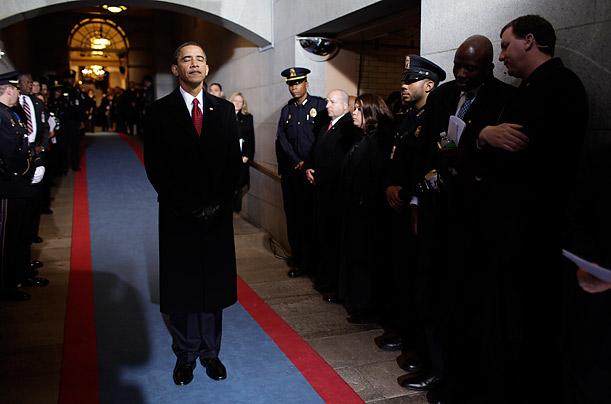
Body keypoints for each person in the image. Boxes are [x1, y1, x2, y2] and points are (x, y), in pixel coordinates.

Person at [400, 36, 516, 400]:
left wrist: (461, 152)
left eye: (472, 68)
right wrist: (436, 170)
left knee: (462, 300)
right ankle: (434, 363)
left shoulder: (503, 100)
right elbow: (430, 143)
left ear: (488, 67)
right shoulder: (445, 94)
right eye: (459, 67)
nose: (463, 74)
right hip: (438, 209)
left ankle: (454, 374)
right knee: (430, 290)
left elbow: (493, 161)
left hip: (472, 217)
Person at [143, 41, 241, 386]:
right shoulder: (157, 113)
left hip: (216, 216)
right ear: (176, 69)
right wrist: (185, 205)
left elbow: (233, 165)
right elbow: (155, 166)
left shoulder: (226, 111)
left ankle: (211, 352)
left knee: (213, 286)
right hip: (177, 215)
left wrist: (219, 202)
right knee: (182, 286)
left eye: (200, 58)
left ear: (207, 67)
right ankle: (185, 354)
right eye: (187, 59)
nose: (195, 64)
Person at [378, 56, 445, 360]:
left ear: (429, 85)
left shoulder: (434, 119)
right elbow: (397, 160)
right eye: (404, 81)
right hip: (398, 208)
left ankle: (418, 345)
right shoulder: (407, 118)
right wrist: (391, 185)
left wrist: (408, 192)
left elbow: (430, 168)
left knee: (419, 282)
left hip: (418, 208)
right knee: (400, 276)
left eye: (411, 81)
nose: (403, 86)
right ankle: (405, 335)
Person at [338, 93, 394, 325]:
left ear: (370, 113)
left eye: (359, 109)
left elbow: (375, 177)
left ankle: (367, 307)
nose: (354, 112)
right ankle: (359, 303)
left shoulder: (377, 139)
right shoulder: (362, 138)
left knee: (366, 261)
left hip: (368, 212)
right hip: (355, 209)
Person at [305, 89, 359, 304]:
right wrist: (309, 167)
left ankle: (332, 283)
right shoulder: (327, 125)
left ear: (345, 106)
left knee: (332, 240)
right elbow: (315, 151)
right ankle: (323, 278)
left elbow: (341, 162)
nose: (327, 105)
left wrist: (322, 174)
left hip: (334, 194)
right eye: (327, 100)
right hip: (321, 191)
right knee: (322, 236)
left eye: (332, 101)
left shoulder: (348, 128)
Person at [275, 67, 328, 278]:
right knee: (294, 218)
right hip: (292, 174)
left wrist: (308, 162)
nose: (294, 87)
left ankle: (314, 263)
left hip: (312, 173)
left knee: (311, 219)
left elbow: (323, 137)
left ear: (306, 83)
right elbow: (282, 139)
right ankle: (299, 260)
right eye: (290, 83)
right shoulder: (286, 110)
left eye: (297, 82)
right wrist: (296, 161)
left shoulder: (319, 105)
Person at [0, 71, 47, 302]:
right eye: (15, 88)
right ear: (7, 90)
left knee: (20, 233)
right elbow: (10, 154)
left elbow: (25, 143)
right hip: (8, 186)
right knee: (7, 238)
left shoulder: (11, 114)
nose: (18, 91)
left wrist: (35, 161)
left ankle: (19, 272)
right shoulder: (1, 116)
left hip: (20, 183)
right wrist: (30, 167)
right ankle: (6, 284)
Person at [229, 92, 255, 212]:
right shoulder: (225, 115)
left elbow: (251, 138)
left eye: (240, 101)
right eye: (236, 100)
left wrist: (247, 156)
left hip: (242, 156)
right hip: (228, 156)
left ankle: (236, 210)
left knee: (239, 184)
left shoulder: (248, 117)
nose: (238, 103)